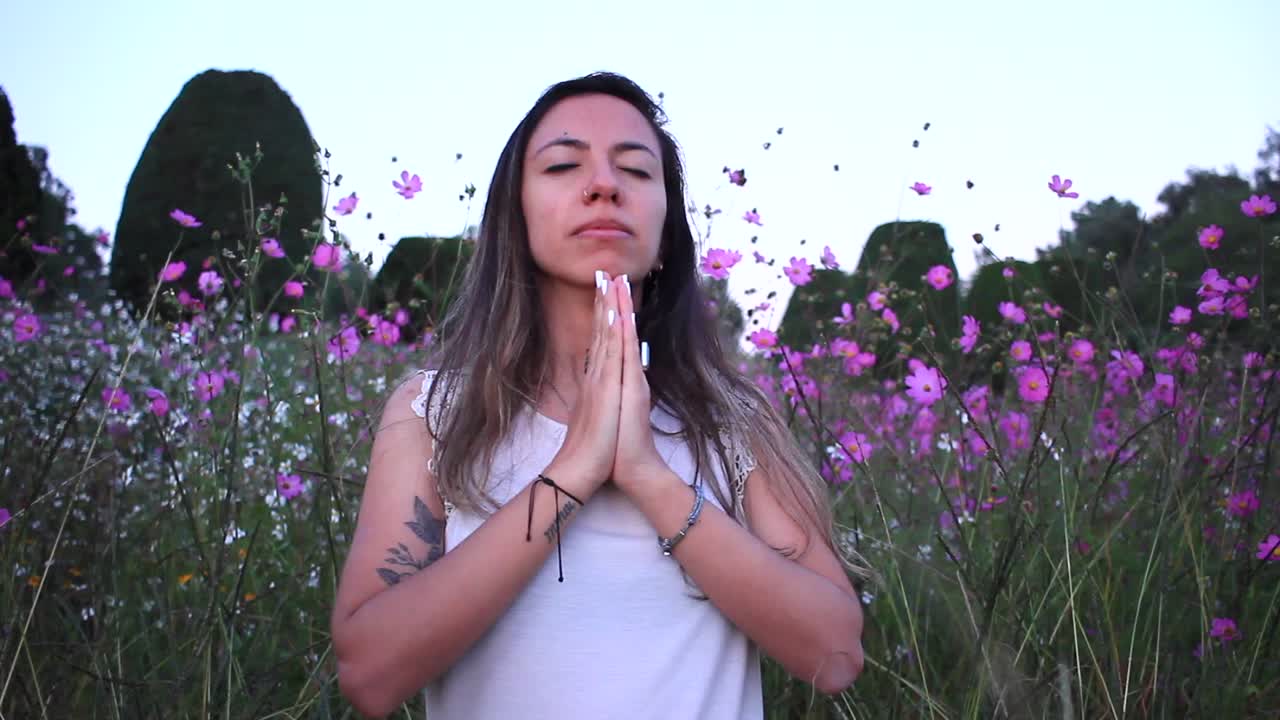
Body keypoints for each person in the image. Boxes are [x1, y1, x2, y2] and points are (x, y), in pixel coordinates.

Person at [331, 71, 867, 719]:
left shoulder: (733, 420)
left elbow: (836, 655)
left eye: (637, 172)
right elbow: (368, 674)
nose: (604, 185)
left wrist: (647, 475)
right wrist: (574, 470)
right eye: (562, 164)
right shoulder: (434, 415)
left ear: (668, 233)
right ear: (515, 219)